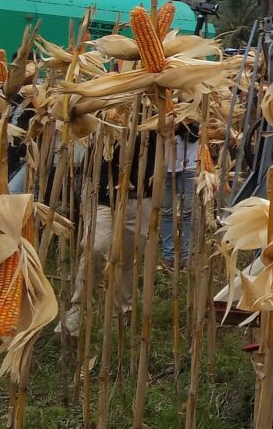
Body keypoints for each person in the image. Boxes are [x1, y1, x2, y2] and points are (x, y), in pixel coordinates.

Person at [63, 137, 154, 336]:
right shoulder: (104, 111)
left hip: (141, 195)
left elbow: (187, 133)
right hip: (101, 193)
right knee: (95, 247)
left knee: (128, 257)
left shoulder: (159, 108)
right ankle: (79, 309)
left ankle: (120, 314)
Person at [161, 122, 198, 269]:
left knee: (187, 212)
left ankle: (186, 256)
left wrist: (182, 125)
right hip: (166, 166)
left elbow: (195, 135)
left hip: (189, 166)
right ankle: (169, 256)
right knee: (167, 212)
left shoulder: (196, 108)